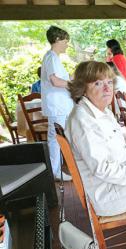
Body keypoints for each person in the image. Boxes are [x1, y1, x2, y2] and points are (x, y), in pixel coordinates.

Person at [66, 61, 126, 216]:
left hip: (118, 182)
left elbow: (124, 150)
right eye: (98, 83)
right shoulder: (83, 120)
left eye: (109, 82)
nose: (107, 88)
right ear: (82, 89)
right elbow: (103, 169)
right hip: (108, 195)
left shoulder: (104, 112)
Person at [41, 26, 74, 180]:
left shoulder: (53, 58)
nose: (67, 44)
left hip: (60, 106)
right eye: (66, 41)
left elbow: (59, 79)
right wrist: (73, 84)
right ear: (57, 40)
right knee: (55, 139)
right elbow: (55, 81)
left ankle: (57, 171)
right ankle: (55, 172)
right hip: (57, 106)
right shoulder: (51, 57)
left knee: (58, 138)